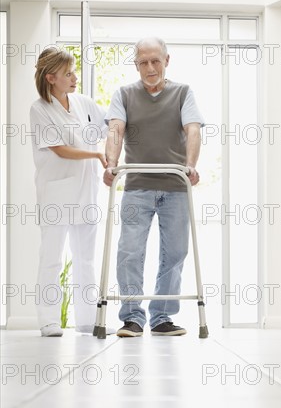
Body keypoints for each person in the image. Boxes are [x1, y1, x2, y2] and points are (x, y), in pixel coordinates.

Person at [104, 37, 204, 337]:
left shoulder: (183, 93)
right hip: (137, 184)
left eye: (155, 61)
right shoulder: (123, 94)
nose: (150, 67)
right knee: (129, 251)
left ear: (166, 60)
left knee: (175, 253)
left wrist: (190, 165)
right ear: (136, 65)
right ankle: (133, 317)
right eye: (143, 62)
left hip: (175, 185)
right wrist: (111, 163)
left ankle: (161, 317)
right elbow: (114, 131)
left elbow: (193, 130)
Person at [30, 47, 107, 337]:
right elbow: (60, 149)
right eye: (68, 73)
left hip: (86, 191)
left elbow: (109, 125)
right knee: (51, 256)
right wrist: (96, 156)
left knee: (85, 257)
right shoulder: (39, 108)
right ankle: (48, 320)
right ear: (51, 78)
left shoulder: (84, 103)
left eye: (74, 72)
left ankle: (87, 320)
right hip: (56, 194)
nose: (75, 77)